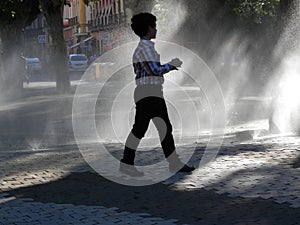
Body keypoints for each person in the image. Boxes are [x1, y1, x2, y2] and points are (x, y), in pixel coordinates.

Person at [119, 12, 195, 177]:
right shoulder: (145, 49)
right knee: (159, 128)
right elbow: (154, 71)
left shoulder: (145, 47)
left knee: (143, 129)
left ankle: (127, 163)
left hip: (148, 92)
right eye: (153, 25)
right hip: (149, 94)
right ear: (148, 28)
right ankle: (172, 163)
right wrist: (171, 65)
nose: (156, 29)